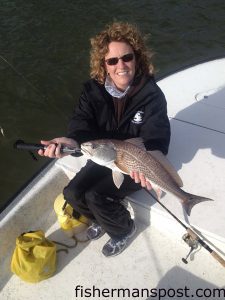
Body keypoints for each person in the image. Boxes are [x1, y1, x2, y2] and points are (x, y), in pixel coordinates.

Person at [38, 22, 171, 257]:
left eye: (127, 57)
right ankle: (99, 218)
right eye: (112, 61)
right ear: (104, 65)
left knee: (96, 195)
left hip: (135, 164)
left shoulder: (152, 96)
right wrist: (71, 141)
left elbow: (157, 140)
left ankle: (123, 230)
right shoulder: (92, 91)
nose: (121, 65)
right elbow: (81, 123)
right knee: (72, 193)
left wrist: (146, 167)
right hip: (104, 156)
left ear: (137, 58)